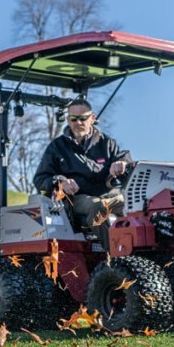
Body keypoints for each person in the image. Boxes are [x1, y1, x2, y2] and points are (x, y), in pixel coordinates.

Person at [32, 98, 133, 247]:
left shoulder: (107, 143)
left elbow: (124, 159)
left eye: (83, 118)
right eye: (73, 118)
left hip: (108, 193)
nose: (78, 122)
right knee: (97, 206)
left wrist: (123, 163)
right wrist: (61, 182)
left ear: (92, 118)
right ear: (68, 119)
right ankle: (115, 255)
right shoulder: (57, 147)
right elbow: (40, 179)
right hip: (77, 198)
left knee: (137, 202)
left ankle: (145, 251)